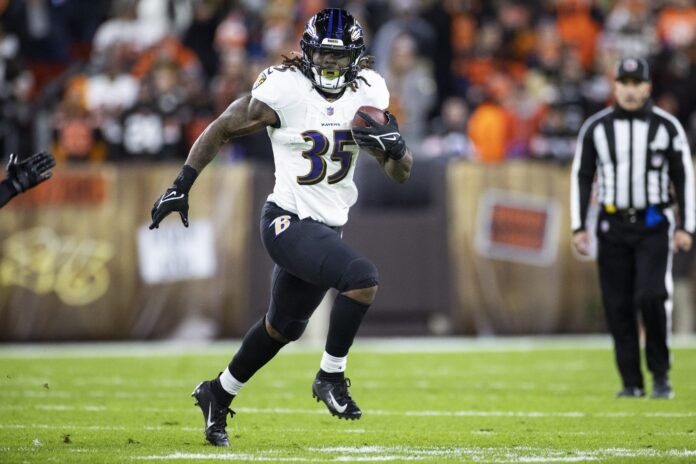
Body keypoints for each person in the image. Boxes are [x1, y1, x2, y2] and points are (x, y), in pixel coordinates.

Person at [148, 9, 413, 446]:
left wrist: (397, 149)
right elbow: (223, 127)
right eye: (324, 56)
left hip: (327, 227)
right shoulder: (286, 88)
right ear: (308, 54)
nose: (330, 65)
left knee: (281, 328)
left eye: (340, 58)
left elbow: (399, 172)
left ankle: (218, 392)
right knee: (362, 279)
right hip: (286, 220)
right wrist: (182, 184)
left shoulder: (370, 90)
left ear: (356, 59)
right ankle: (331, 376)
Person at [571, 57, 695, 399]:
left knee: (651, 295)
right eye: (622, 82)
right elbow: (581, 176)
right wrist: (579, 225)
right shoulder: (596, 128)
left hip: (653, 222)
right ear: (614, 87)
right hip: (611, 224)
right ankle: (631, 382)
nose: (628, 89)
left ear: (647, 87)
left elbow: (684, 176)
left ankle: (660, 374)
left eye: (635, 82)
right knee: (617, 305)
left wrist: (688, 226)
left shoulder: (667, 127)